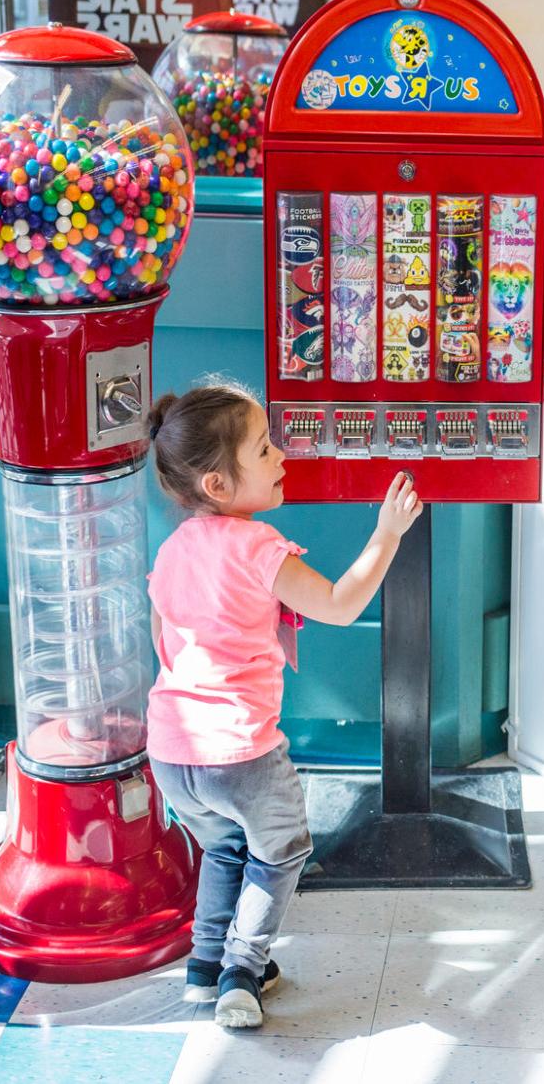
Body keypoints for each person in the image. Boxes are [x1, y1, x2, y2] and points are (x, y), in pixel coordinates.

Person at [145, 383, 423, 1028]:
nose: (282, 458)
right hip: (241, 751)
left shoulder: (174, 549)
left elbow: (163, 635)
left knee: (224, 850)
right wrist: (387, 535)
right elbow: (339, 603)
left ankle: (203, 964)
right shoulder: (257, 546)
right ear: (218, 485)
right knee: (283, 850)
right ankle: (242, 970)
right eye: (265, 449)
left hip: (171, 751)